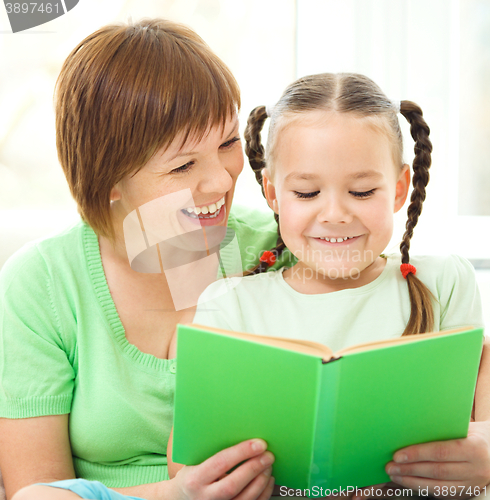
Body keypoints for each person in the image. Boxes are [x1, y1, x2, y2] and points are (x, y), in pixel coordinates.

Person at [0, 18, 295, 500]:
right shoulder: (42, 285)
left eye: (228, 143)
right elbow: (35, 490)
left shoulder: (279, 249)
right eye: (183, 165)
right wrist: (180, 495)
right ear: (110, 179)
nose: (221, 180)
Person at [185, 73, 490, 498]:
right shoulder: (230, 306)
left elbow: (482, 424)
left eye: (362, 192)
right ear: (273, 193)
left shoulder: (444, 282)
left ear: (400, 188)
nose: (335, 214)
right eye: (307, 193)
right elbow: (188, 465)